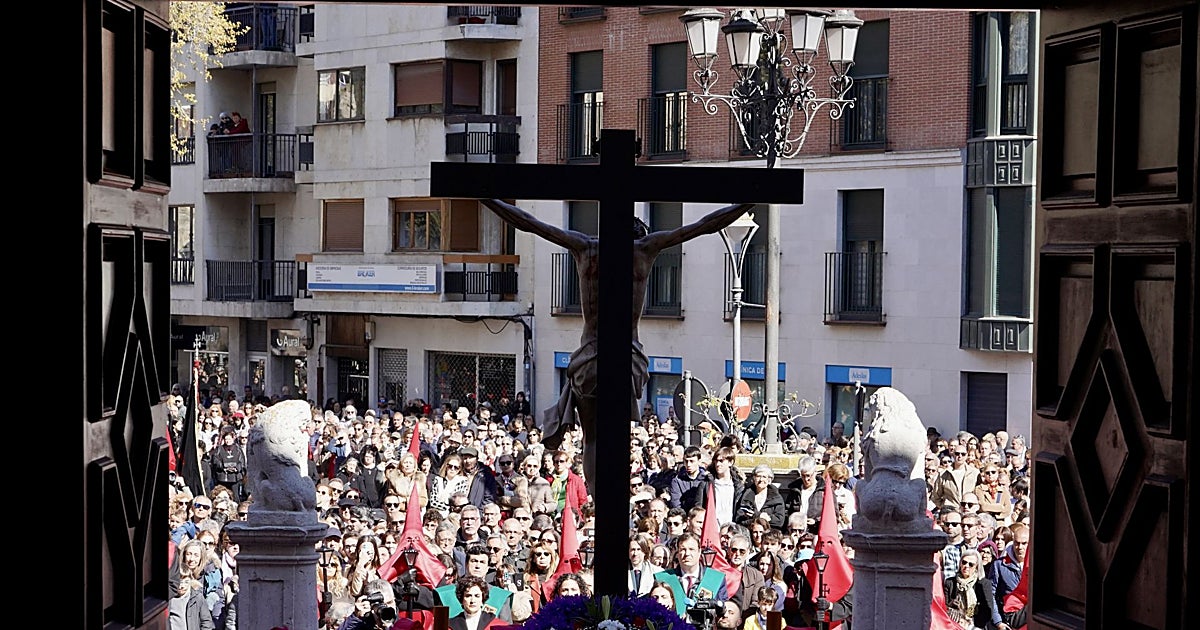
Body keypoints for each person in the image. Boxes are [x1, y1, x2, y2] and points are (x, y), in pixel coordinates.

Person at [480, 198, 755, 484]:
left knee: (592, 439)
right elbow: (704, 225)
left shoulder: (586, 247)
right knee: (618, 437)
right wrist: (748, 201)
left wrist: (485, 198)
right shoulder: (645, 249)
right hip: (627, 357)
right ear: (641, 235)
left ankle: (598, 499)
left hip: (590, 357)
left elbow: (529, 222)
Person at [943, 548, 1009, 630]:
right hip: (953, 623)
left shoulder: (984, 584)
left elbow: (988, 611)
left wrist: (970, 623)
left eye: (971, 564)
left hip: (976, 625)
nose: (966, 566)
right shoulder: (950, 582)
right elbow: (944, 606)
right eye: (964, 562)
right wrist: (952, 604)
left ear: (976, 567)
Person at [169, 539, 216, 630]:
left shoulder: (208, 574)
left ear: (201, 557)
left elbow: (207, 621)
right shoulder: (175, 574)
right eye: (189, 554)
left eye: (196, 555)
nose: (191, 559)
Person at [735, 464, 786, 531]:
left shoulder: (776, 498)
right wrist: (760, 517)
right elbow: (739, 519)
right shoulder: (746, 496)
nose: (761, 479)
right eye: (758, 476)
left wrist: (756, 517)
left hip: (769, 534)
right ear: (754, 478)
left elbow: (779, 521)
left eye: (764, 477)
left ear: (769, 480)